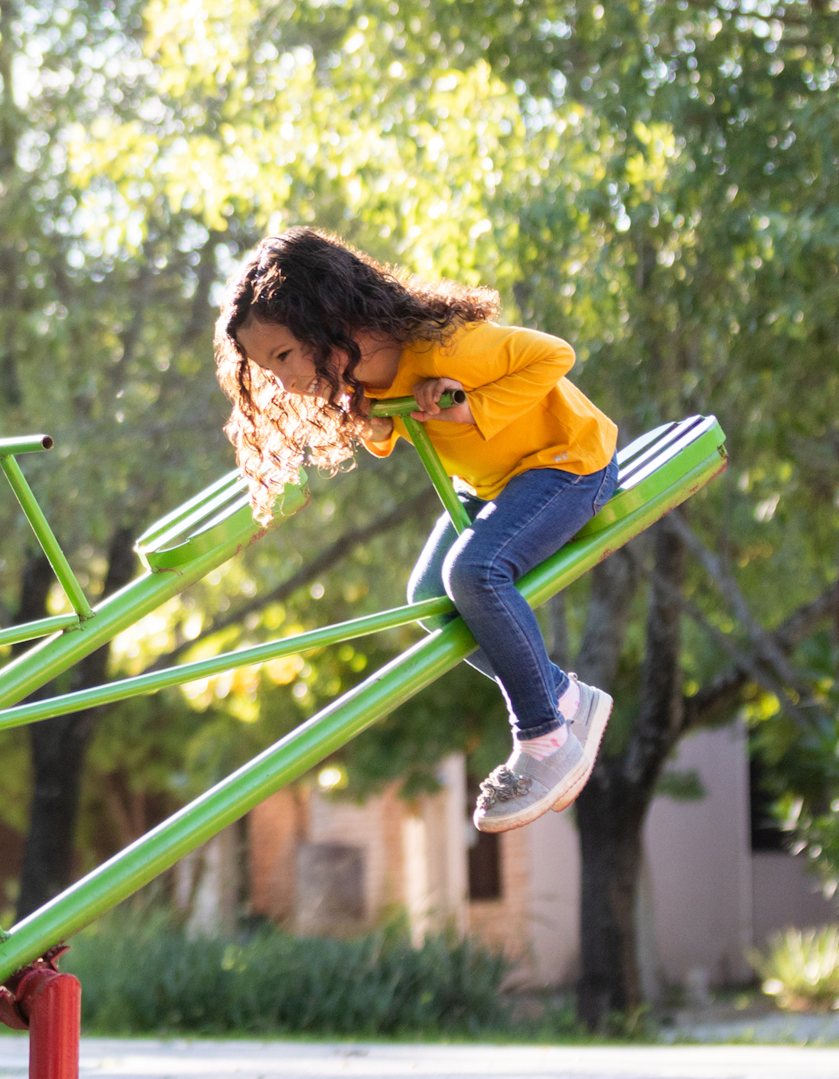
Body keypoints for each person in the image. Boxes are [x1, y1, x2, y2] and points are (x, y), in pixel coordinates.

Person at [215, 226, 622, 833]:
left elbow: (553, 355)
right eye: (266, 370)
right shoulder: (367, 376)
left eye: (281, 357)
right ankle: (563, 698)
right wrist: (373, 420)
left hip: (566, 462)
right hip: (494, 481)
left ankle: (545, 738)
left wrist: (470, 406)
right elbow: (401, 428)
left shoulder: (448, 346)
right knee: (428, 599)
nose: (281, 381)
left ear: (327, 318)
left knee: (475, 573)